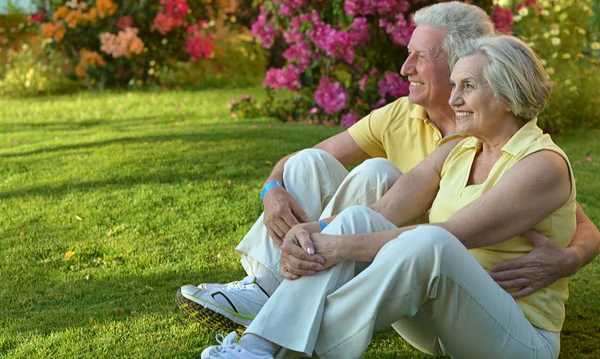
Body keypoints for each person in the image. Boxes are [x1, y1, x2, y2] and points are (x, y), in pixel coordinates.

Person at [176, 1, 600, 333]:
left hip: (427, 257)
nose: (405, 68)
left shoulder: (508, 141)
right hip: (394, 245)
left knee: (379, 175)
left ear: (460, 62)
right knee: (311, 164)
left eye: (419, 56)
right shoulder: (400, 114)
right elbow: (303, 163)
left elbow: (578, 222)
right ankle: (266, 287)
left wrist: (569, 258)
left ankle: (280, 299)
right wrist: (273, 191)